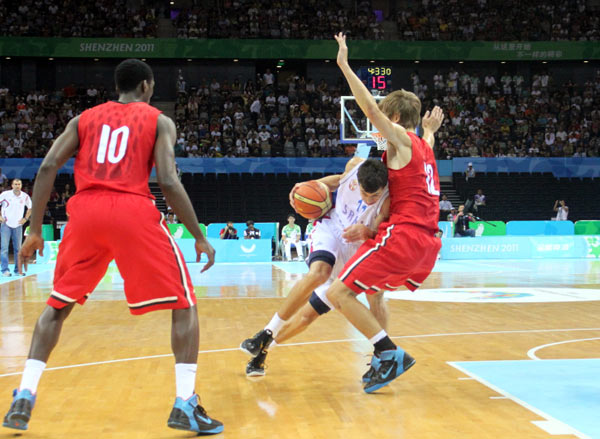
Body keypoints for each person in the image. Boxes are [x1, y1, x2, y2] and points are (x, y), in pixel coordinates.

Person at [2, 59, 223, 434]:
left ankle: (26, 390)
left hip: (85, 212)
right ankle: (185, 402)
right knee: (184, 304)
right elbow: (168, 180)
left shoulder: (83, 119)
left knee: (57, 304)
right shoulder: (158, 119)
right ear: (147, 86)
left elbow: (47, 167)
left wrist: (35, 230)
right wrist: (199, 235)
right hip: (130, 210)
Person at [323, 33, 443, 393]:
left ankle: (388, 351)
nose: (376, 126)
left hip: (403, 237)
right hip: (426, 245)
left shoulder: (402, 139)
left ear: (392, 118)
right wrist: (431, 130)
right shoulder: (423, 146)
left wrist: (344, 64)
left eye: (382, 121)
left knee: (338, 294)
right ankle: (382, 357)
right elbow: (426, 142)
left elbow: (371, 110)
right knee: (373, 292)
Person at [241, 158, 390, 378]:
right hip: (331, 227)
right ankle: (267, 331)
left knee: (307, 318)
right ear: (358, 181)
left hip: (354, 250)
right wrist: (307, 187)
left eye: (374, 196)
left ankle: (263, 350)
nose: (369, 200)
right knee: (319, 272)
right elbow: (334, 182)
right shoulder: (354, 166)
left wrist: (367, 232)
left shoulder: (388, 198)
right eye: (365, 194)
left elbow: (377, 227)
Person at [0, 179, 32, 276]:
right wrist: (0, 217)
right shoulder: (5, 194)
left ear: (21, 185)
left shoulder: (25, 196)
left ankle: (18, 270)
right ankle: (5, 270)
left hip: (18, 225)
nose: (17, 186)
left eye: (19, 184)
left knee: (18, 249)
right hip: (6, 224)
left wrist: (25, 219)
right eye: (15, 184)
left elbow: (30, 208)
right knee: (4, 248)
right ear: (12, 185)